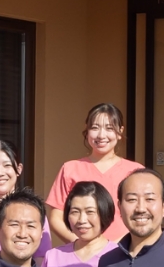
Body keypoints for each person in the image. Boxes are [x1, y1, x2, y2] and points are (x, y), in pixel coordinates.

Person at [46, 103, 143, 244]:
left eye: (109, 128)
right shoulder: (70, 169)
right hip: (81, 251)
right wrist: (83, 244)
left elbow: (141, 213)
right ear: (87, 130)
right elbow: (56, 217)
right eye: (95, 128)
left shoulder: (135, 171)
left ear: (120, 132)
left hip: (125, 250)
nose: (101, 135)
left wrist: (116, 246)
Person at [0, 139, 51, 258]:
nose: (0, 172)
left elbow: (42, 257)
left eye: (7, 165)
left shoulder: (34, 211)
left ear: (19, 169)